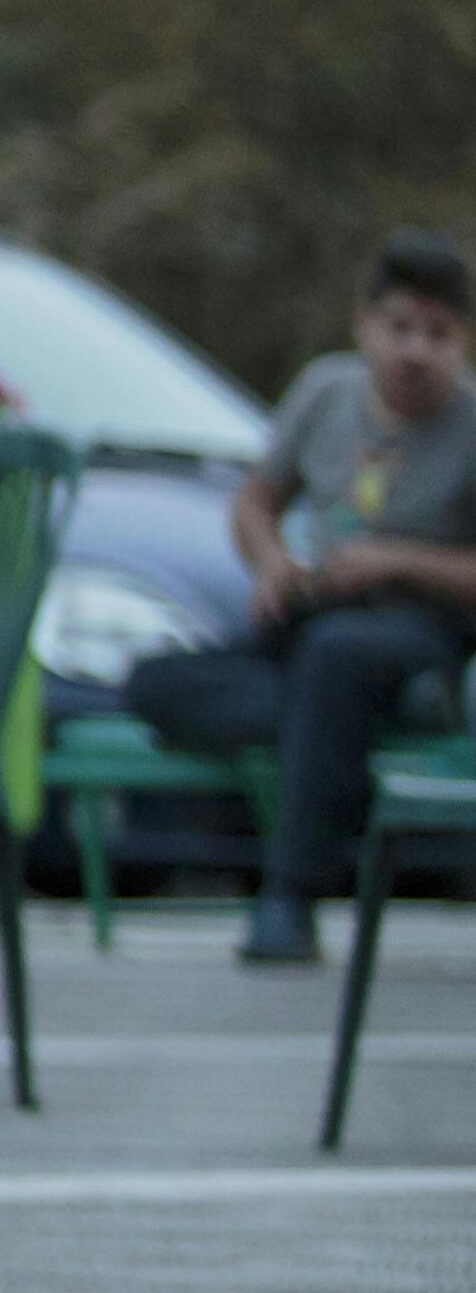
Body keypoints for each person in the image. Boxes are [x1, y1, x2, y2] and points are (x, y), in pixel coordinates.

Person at [133, 230, 476, 964]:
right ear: (365, 324)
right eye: (400, 328)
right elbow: (255, 502)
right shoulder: (327, 391)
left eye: (439, 335)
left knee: (335, 657)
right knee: (154, 680)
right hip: (319, 620)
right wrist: (272, 563)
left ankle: (289, 895)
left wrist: (397, 563)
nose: (416, 351)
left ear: (464, 343)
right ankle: (336, 732)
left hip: (423, 634)